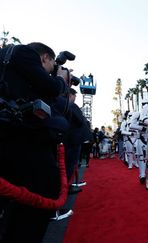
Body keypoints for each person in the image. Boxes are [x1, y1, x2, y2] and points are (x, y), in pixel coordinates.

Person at [0, 42, 70, 242]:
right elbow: (50, 87)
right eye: (48, 67)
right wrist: (60, 79)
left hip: (10, 136)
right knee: (35, 202)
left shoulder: (11, 66)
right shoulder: (24, 53)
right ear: (45, 57)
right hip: (21, 140)